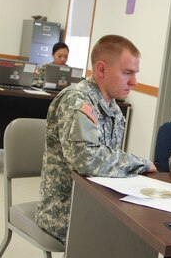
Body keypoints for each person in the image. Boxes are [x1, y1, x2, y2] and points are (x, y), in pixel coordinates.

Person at [36, 35, 157, 244]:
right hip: (66, 211)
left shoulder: (113, 109)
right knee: (132, 238)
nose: (134, 82)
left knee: (148, 227)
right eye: (127, 73)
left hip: (98, 203)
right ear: (101, 69)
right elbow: (87, 160)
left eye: (135, 73)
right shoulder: (77, 101)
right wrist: (140, 163)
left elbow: (107, 163)